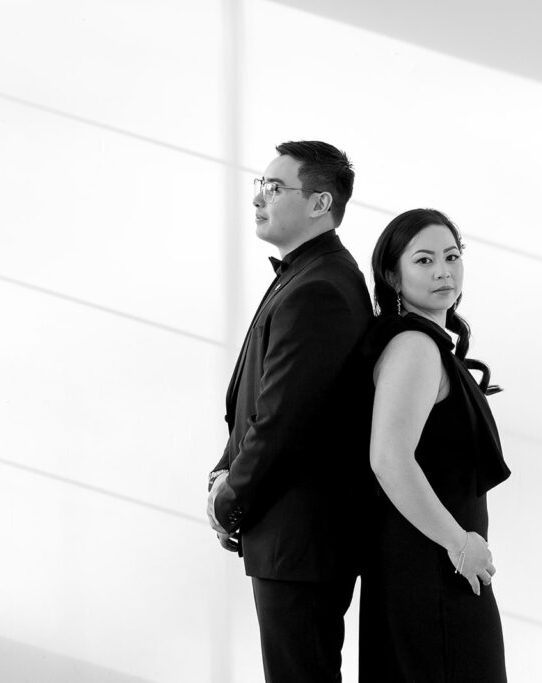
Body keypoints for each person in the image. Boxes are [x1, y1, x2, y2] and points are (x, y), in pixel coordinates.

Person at [206, 141, 373, 682]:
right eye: (261, 185)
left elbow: (284, 421)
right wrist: (221, 471)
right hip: (290, 536)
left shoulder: (321, 286)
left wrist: (230, 499)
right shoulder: (307, 275)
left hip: (301, 540)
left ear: (320, 203)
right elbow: (260, 400)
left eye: (275, 188)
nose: (259, 199)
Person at [358, 208, 512, 682]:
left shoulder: (425, 343)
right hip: (433, 567)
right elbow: (388, 458)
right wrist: (459, 543)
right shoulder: (415, 348)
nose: (444, 271)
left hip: (431, 565)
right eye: (424, 261)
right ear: (393, 276)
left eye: (451, 256)